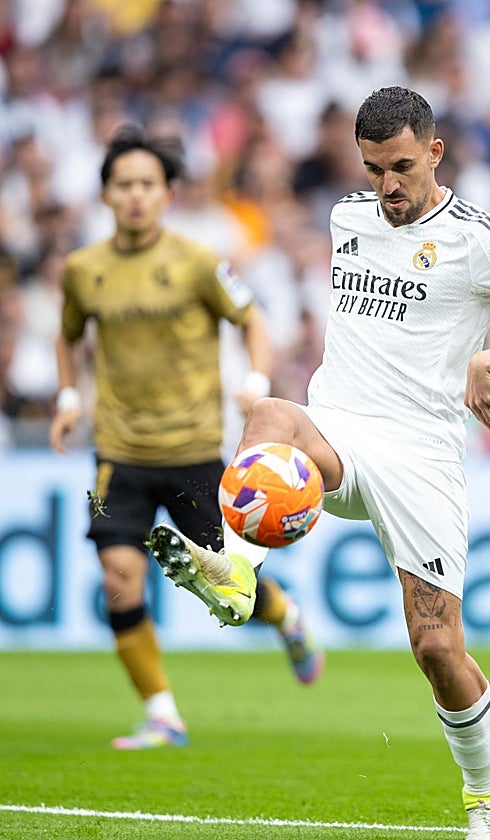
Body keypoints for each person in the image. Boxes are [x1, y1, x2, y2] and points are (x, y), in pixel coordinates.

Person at [148, 87, 490, 840]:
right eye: (371, 170)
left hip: (421, 454)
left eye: (400, 168)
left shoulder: (480, 237)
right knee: (267, 415)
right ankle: (234, 571)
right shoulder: (347, 217)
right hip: (339, 431)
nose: (387, 188)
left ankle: (487, 798)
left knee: (436, 648)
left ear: (434, 152)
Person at [49, 124, 324, 751]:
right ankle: (163, 713)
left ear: (168, 192)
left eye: (147, 184)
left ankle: (285, 616)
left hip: (196, 451)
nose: (136, 196)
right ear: (106, 195)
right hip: (116, 454)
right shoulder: (82, 271)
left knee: (228, 582)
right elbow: (67, 335)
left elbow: (252, 318)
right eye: (124, 185)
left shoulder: (199, 262)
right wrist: (69, 398)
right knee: (119, 575)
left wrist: (255, 380)